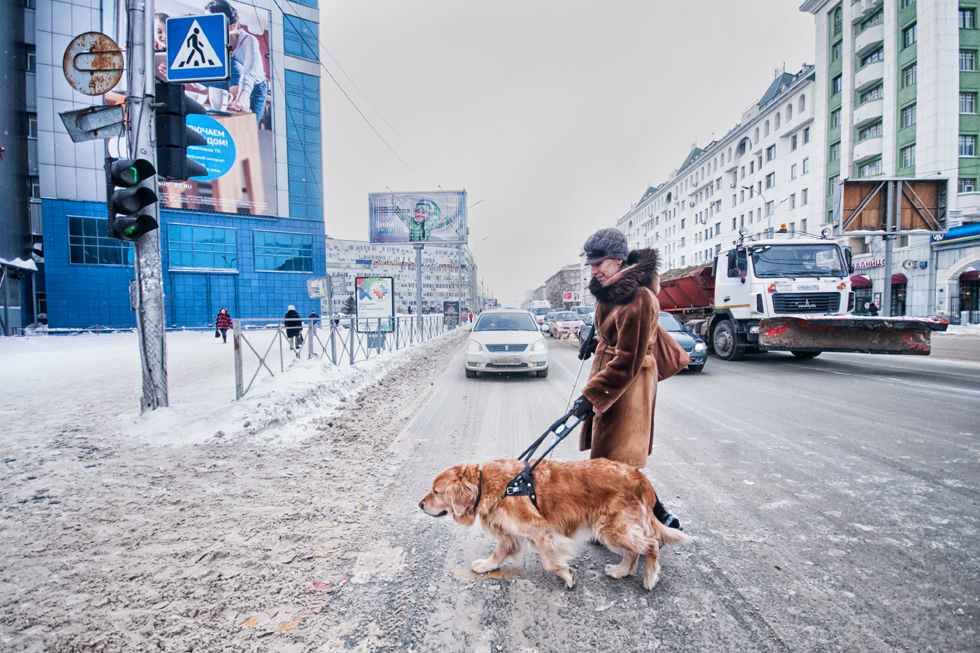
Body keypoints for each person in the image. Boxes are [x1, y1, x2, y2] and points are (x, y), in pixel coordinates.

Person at [572, 228, 690, 530]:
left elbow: (627, 360)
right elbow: (615, 333)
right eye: (591, 264)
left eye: (598, 263)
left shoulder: (637, 297)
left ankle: (658, 519)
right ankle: (623, 519)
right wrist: (595, 341)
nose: (593, 269)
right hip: (612, 387)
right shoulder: (612, 290)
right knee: (611, 465)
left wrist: (591, 396)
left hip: (628, 390)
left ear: (618, 260)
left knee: (620, 465)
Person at [204, 0, 269, 124]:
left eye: (214, 24)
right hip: (230, 83)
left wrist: (241, 98)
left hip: (254, 87)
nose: (208, 29)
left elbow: (249, 73)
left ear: (232, 27)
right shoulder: (210, 43)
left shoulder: (249, 41)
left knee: (246, 125)